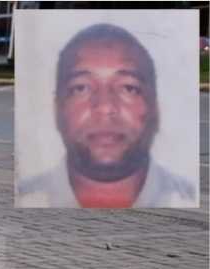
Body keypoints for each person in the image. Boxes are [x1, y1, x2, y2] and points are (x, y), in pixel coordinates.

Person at [16, 23, 196, 208]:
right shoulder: (28, 197)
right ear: (56, 110)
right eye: (81, 88)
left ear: (155, 109)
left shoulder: (188, 197)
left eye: (128, 88)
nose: (105, 107)